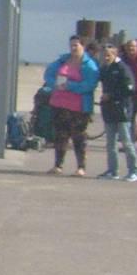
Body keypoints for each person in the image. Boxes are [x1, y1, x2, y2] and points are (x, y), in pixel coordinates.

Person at [42, 35, 100, 176]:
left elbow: (90, 84)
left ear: (83, 46)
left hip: (78, 107)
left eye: (76, 45)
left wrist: (70, 86)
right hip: (59, 103)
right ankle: (58, 165)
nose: (73, 48)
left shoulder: (89, 64)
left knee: (78, 137)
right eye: (71, 45)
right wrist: (54, 84)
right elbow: (48, 74)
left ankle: (81, 167)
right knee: (60, 136)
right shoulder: (63, 60)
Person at [97, 43, 137, 181]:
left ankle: (134, 171)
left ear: (115, 54)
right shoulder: (104, 69)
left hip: (122, 110)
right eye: (104, 55)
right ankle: (112, 170)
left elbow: (129, 88)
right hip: (109, 110)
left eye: (109, 55)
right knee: (110, 143)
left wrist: (112, 95)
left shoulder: (122, 68)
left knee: (127, 142)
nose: (106, 57)